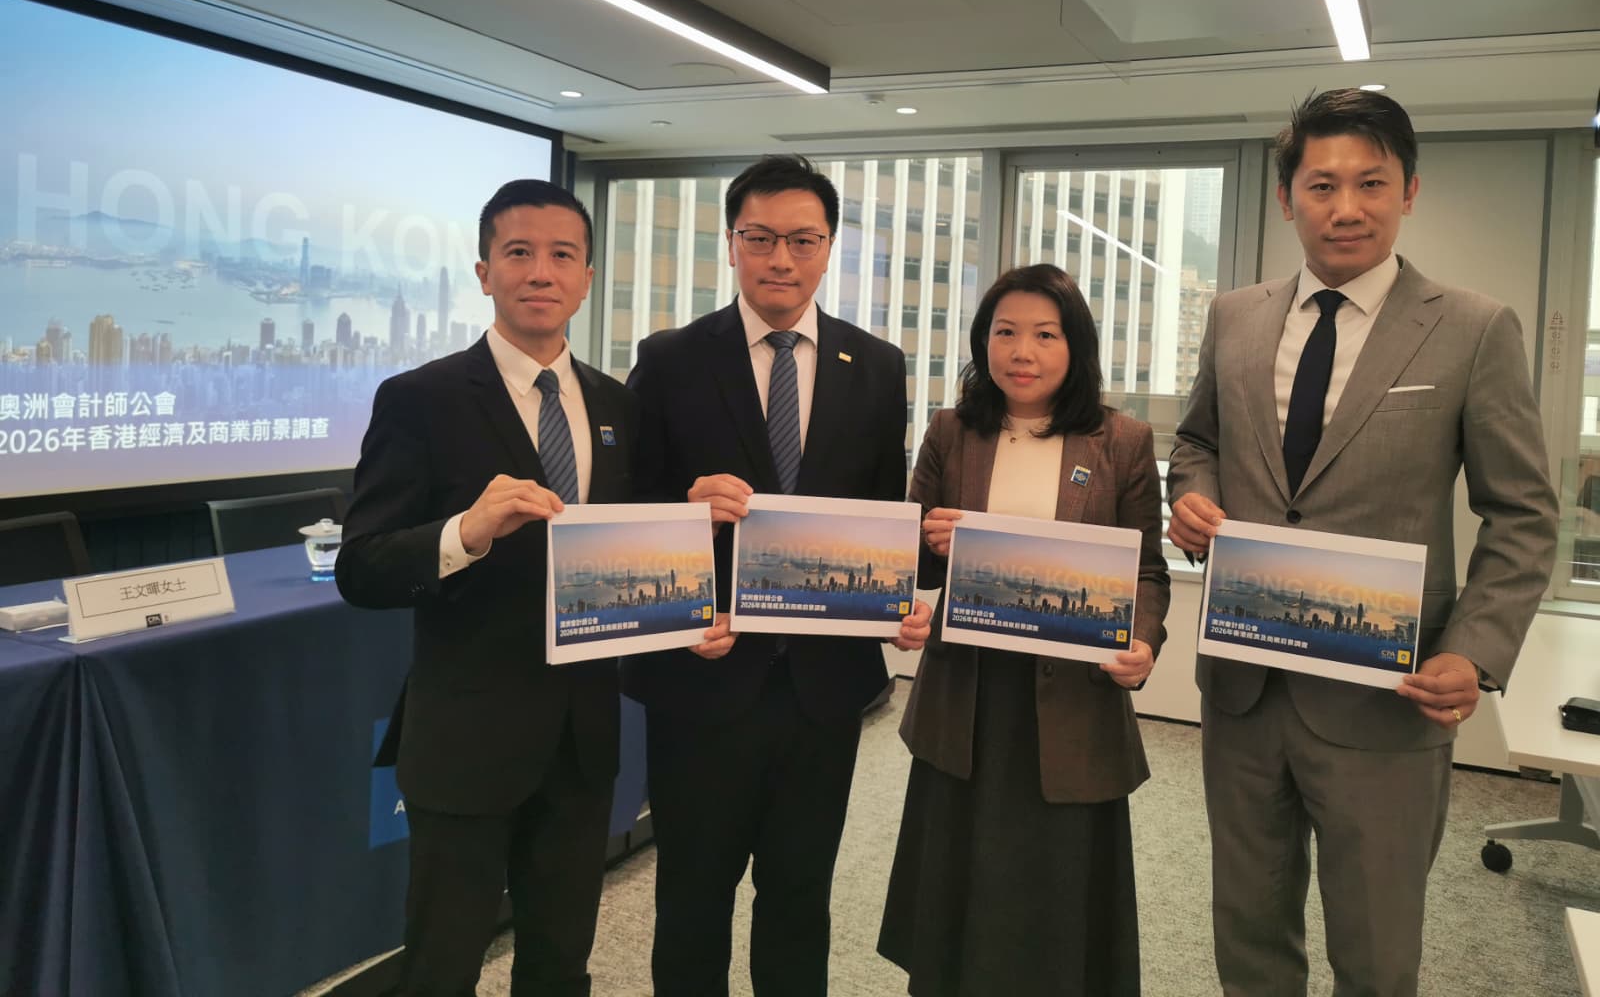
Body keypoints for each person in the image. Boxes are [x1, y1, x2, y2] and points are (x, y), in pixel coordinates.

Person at [1167, 88, 1558, 997]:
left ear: (1408, 191)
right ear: (1287, 199)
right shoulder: (1235, 317)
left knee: (1377, 950)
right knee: (1248, 931)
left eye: (1371, 183)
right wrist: (1193, 498)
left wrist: (1474, 652)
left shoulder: (1473, 328)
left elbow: (1523, 512)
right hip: (1245, 686)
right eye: (1322, 185)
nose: (1346, 207)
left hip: (1387, 695)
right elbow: (1197, 443)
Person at [624, 153, 933, 997]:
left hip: (822, 689)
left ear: (829, 247)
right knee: (692, 898)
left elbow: (881, 513)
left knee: (800, 898)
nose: (781, 259)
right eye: (760, 238)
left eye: (803, 239)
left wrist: (897, 599)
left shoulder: (876, 366)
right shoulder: (671, 358)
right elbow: (623, 505)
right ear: (732, 243)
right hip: (702, 675)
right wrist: (685, 508)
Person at [336, 179, 638, 997]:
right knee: (442, 967)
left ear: (586, 278)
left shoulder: (617, 405)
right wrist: (464, 534)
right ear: (483, 272)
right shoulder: (420, 399)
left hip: (582, 738)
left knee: (560, 963)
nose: (541, 271)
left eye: (562, 255)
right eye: (519, 253)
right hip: (466, 737)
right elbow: (360, 567)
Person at [877, 263, 1171, 997]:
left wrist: (1142, 642)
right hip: (967, 697)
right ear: (984, 342)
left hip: (1072, 699)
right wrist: (929, 547)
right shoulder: (952, 432)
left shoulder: (1122, 440)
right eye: (1005, 332)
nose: (1022, 352)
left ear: (1076, 346)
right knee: (957, 892)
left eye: (1045, 334)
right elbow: (909, 558)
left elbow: (1147, 569)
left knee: (1058, 903)